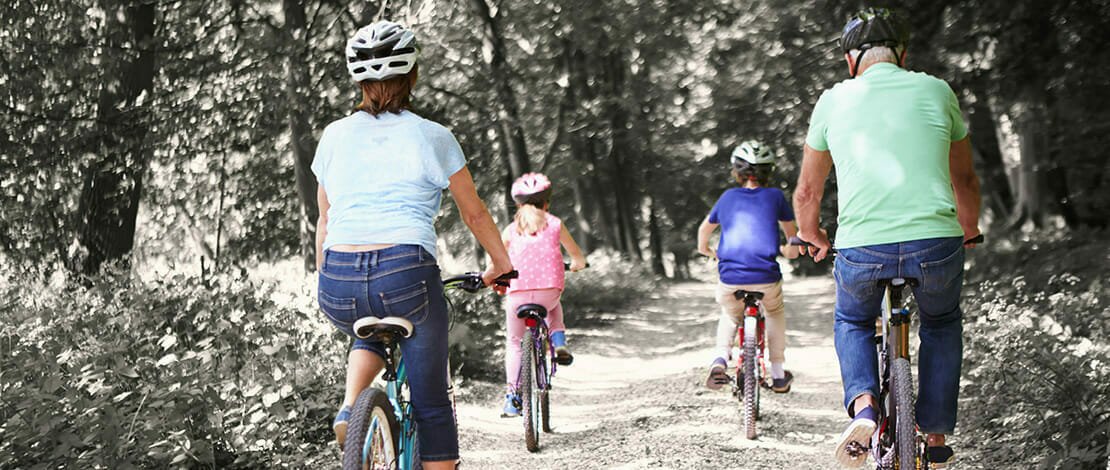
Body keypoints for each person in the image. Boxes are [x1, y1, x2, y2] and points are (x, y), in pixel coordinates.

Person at [311, 21, 513, 469]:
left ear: (359, 79)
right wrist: (501, 263)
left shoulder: (333, 136)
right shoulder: (433, 136)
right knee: (432, 404)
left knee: (368, 325)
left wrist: (325, 274)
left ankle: (350, 407)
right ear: (412, 75)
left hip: (338, 278)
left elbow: (325, 219)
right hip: (406, 271)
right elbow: (474, 214)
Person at [792, 8, 982, 468]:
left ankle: (864, 408)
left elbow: (807, 191)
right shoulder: (937, 90)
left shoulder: (833, 100)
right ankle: (935, 435)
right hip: (936, 242)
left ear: (851, 59)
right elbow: (966, 179)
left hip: (862, 247)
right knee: (940, 323)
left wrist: (809, 233)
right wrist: (969, 229)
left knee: (853, 321)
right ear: (901, 53)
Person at [697, 141, 800, 394]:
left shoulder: (727, 197)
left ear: (736, 172)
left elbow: (704, 231)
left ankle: (720, 358)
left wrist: (706, 250)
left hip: (730, 276)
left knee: (731, 314)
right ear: (769, 171)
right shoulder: (776, 196)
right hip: (765, 276)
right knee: (774, 312)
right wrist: (790, 251)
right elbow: (792, 239)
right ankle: (777, 373)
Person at [499, 172, 588, 418]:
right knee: (553, 305)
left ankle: (512, 396)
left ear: (518, 204)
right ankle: (559, 343)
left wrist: (494, 277)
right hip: (549, 293)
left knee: (514, 343)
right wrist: (578, 263)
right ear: (546, 202)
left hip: (517, 295)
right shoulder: (555, 224)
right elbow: (576, 254)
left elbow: (496, 261)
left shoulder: (510, 230)